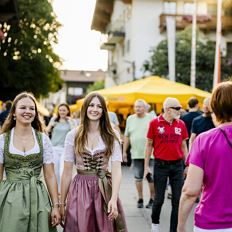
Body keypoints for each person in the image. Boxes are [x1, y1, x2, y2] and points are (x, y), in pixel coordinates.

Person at [60, 92, 127, 232]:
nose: (94, 109)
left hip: (103, 189)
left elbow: (116, 170)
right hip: (80, 188)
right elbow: (66, 172)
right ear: (85, 108)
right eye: (91, 105)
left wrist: (113, 198)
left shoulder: (111, 135)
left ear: (104, 111)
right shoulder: (73, 135)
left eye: (99, 106)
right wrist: (61, 203)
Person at [0, 92, 60, 232]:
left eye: (32, 108)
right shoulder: (3, 140)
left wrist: (56, 206)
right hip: (10, 199)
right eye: (23, 108)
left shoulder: (43, 139)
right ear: (14, 112)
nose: (28, 111)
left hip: (39, 198)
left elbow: (50, 176)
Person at [177, 81, 232, 232]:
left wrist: (181, 226)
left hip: (212, 222)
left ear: (214, 108)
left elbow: (190, 191)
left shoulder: (204, 140)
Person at [144, 97, 188, 232]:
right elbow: (149, 145)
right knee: (159, 199)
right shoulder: (154, 123)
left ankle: (173, 230)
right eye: (177, 108)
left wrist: (187, 164)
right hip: (160, 165)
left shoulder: (181, 124)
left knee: (177, 201)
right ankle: (155, 225)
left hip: (177, 166)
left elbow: (183, 146)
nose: (180, 110)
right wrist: (146, 166)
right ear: (168, 109)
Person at [123, 99, 155, 209]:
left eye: (140, 107)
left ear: (145, 107)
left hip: (151, 154)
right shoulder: (130, 119)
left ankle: (152, 199)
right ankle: (140, 198)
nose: (137, 108)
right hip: (136, 154)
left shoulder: (151, 118)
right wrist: (124, 152)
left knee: (150, 177)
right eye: (136, 106)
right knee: (138, 178)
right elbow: (126, 136)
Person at [46, 103, 75, 193]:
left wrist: (70, 122)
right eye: (60, 110)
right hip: (54, 148)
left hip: (65, 149)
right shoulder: (54, 119)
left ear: (67, 111)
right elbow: (47, 131)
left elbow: (75, 133)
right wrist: (51, 125)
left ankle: (64, 191)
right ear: (58, 111)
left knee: (63, 170)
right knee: (55, 171)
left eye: (64, 110)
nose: (62, 112)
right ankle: (57, 192)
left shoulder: (70, 121)